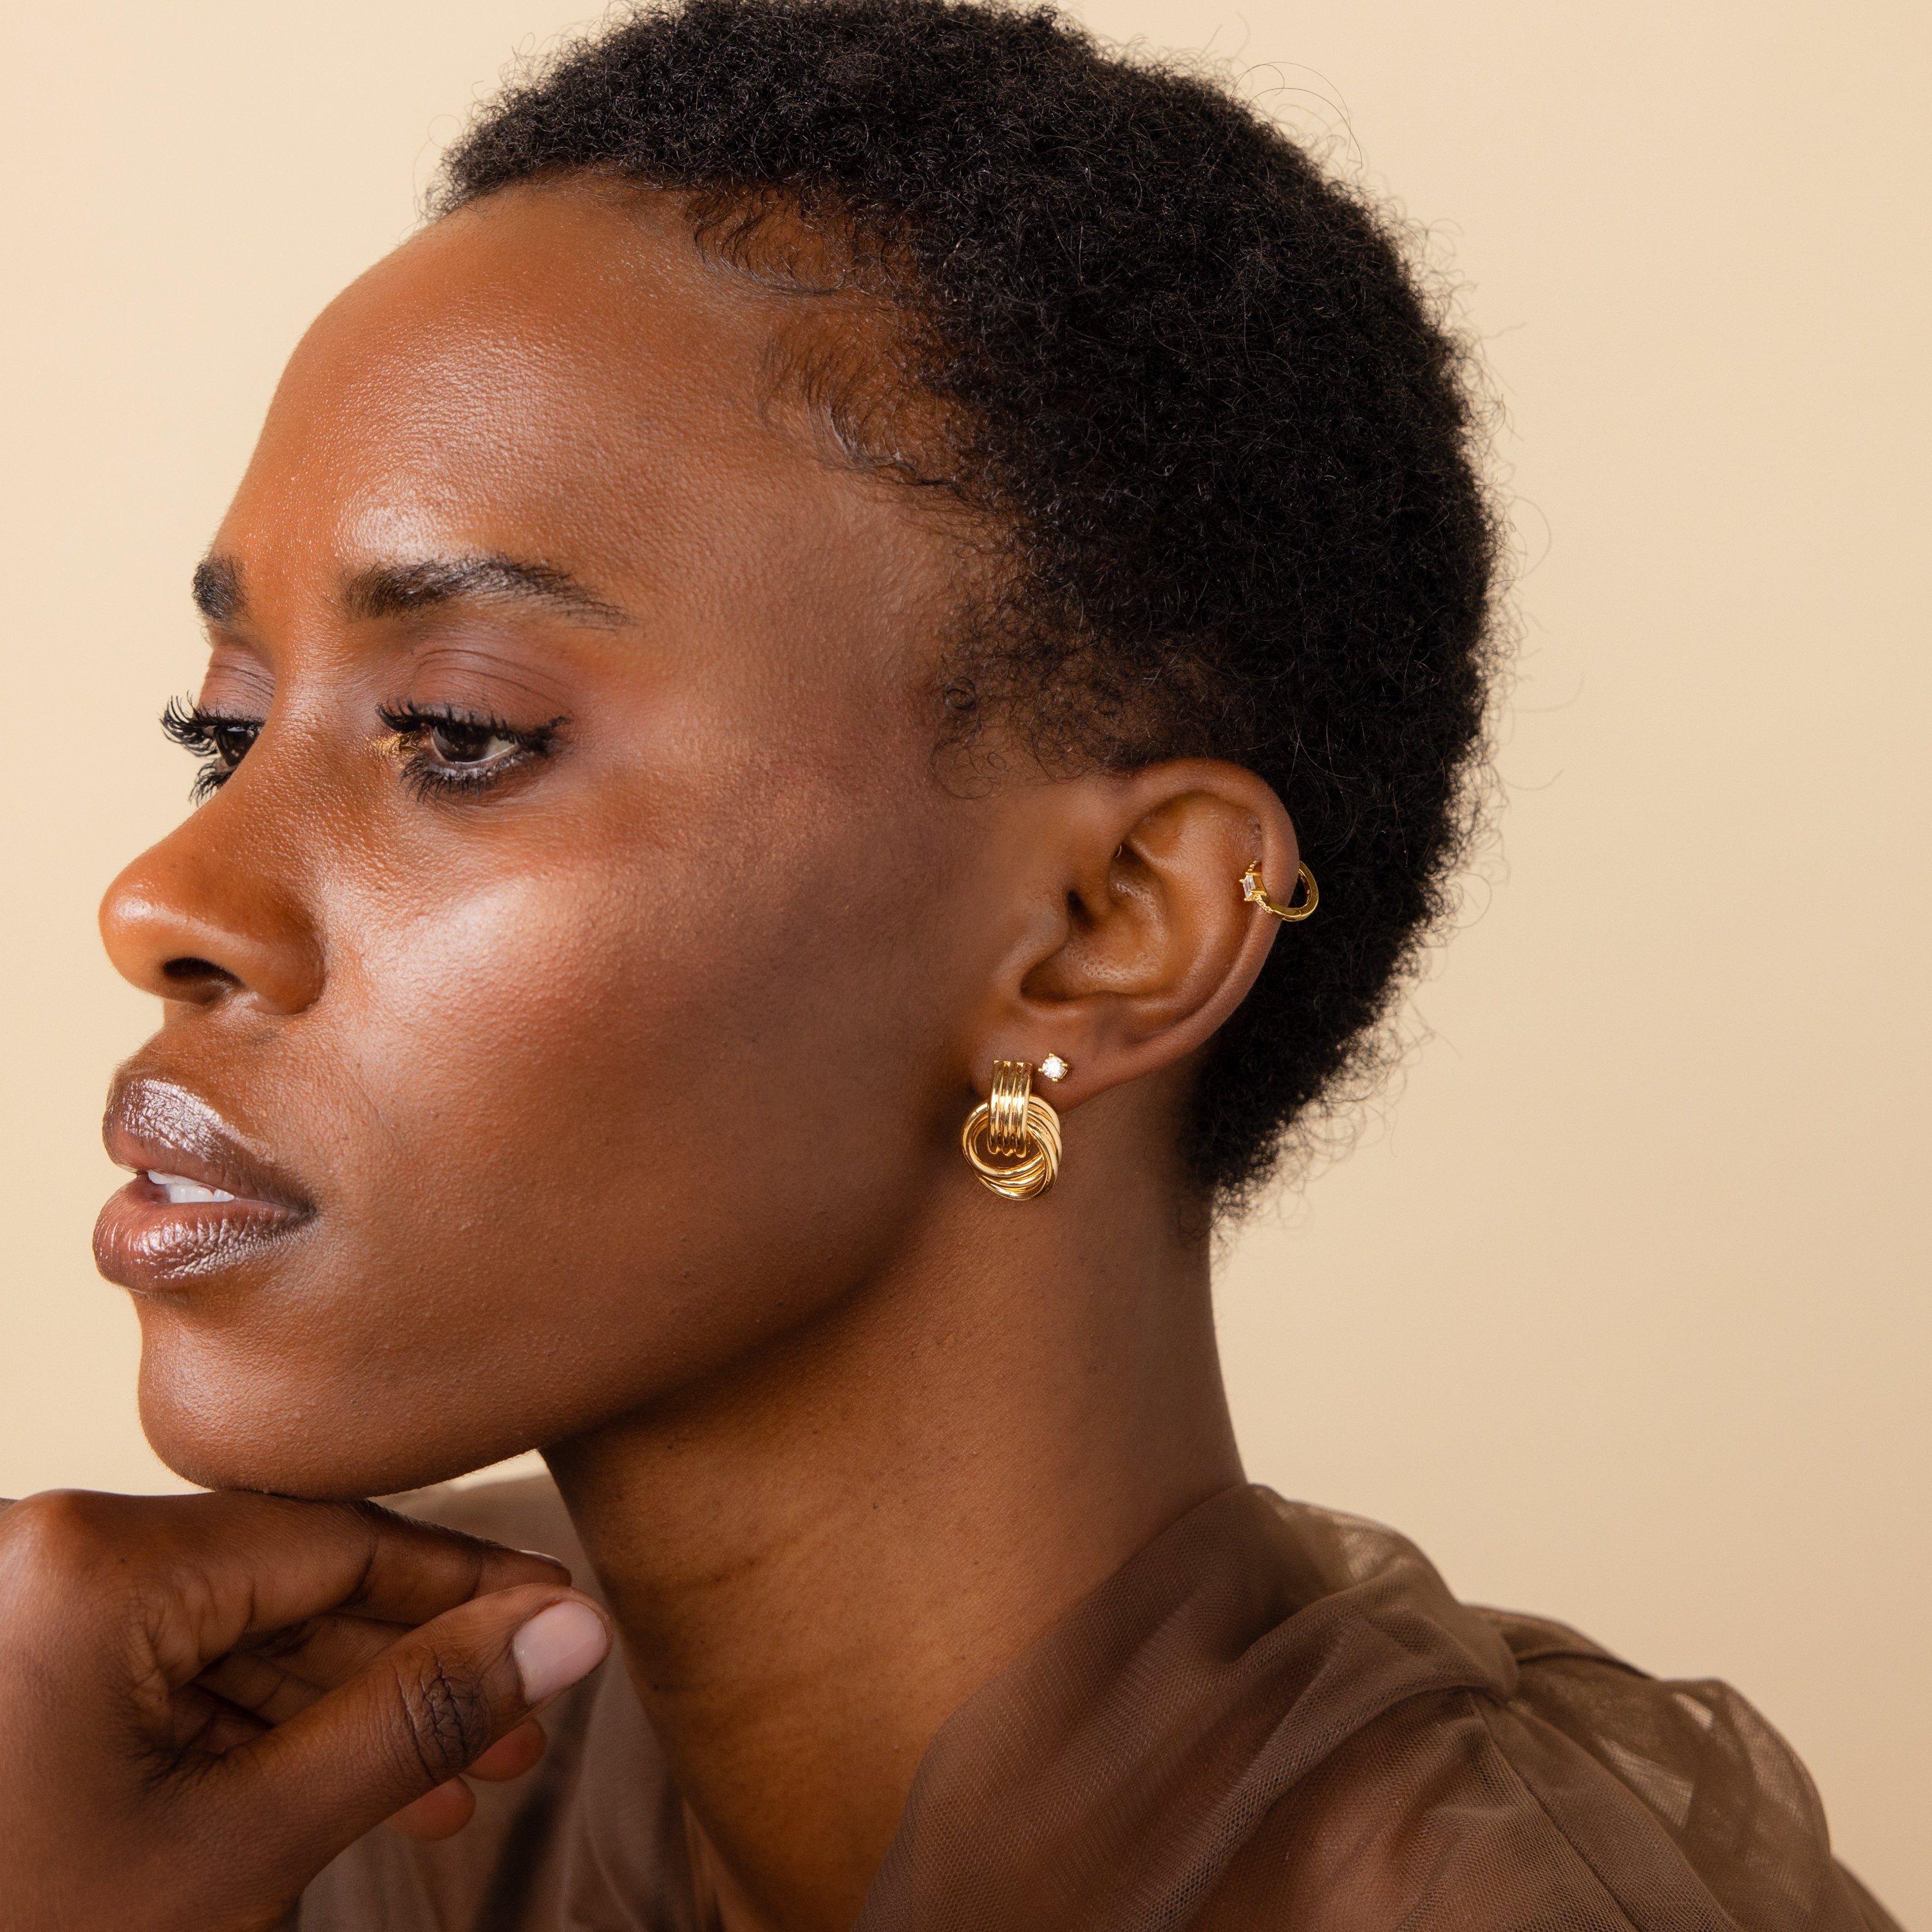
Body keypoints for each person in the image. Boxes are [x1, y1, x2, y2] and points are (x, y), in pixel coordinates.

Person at [0, 1, 1899, 1926]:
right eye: (222, 726)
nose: (165, 900)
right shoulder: (312, 1804)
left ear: (1110, 928)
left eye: (460, 732)